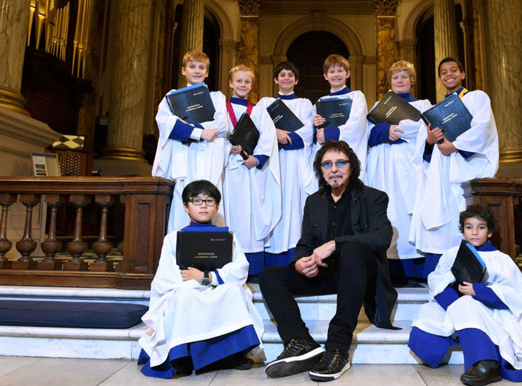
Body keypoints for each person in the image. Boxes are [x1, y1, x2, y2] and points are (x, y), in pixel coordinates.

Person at [259, 140, 397, 382]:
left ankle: (337, 348)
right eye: (327, 164)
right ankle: (300, 341)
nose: (334, 169)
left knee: (352, 250)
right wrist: (300, 261)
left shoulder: (374, 198)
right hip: (328, 274)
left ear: (351, 167)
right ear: (320, 170)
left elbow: (382, 237)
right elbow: (305, 242)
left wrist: (336, 244)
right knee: (270, 275)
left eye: (340, 163)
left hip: (360, 275)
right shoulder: (314, 201)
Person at [137, 180, 264, 378]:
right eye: (196, 201)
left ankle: (230, 356)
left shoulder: (228, 236)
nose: (203, 205)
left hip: (217, 284)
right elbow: (165, 277)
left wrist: (207, 277)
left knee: (234, 292)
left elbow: (240, 267)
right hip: (186, 287)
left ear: (217, 207)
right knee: (185, 296)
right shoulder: (173, 238)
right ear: (186, 207)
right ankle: (184, 357)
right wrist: (191, 281)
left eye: (209, 200)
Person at [409, 204, 522, 386]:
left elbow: (516, 295)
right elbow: (436, 280)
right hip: (452, 302)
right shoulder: (452, 254)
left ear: (490, 232)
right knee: (428, 312)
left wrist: (477, 291)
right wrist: (452, 294)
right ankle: (437, 347)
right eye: (469, 227)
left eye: (481, 227)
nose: (475, 233)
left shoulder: (501, 259)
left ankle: (485, 363)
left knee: (467, 305)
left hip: (488, 307)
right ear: (463, 231)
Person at [409, 57, 499, 263]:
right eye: (444, 72)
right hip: (442, 172)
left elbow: (483, 128)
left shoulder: (477, 98)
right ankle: (444, 267)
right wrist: (429, 140)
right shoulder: (436, 109)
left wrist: (455, 145)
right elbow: (424, 145)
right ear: (440, 79)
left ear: (463, 74)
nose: (448, 74)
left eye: (453, 70)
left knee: (465, 216)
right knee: (444, 222)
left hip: (468, 168)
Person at [365, 60, 433, 282]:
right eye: (396, 77)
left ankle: (412, 267)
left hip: (409, 165)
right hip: (382, 165)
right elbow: (365, 134)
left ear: (412, 81)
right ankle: (386, 265)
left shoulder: (423, 105)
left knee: (407, 211)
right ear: (390, 82)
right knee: (386, 210)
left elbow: (424, 131)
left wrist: (398, 129)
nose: (400, 80)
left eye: (404, 76)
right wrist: (386, 129)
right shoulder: (378, 106)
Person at [151, 50, 228, 233]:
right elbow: (167, 124)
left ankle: (212, 252)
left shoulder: (217, 97)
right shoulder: (173, 97)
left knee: (210, 198)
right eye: (192, 66)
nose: (197, 70)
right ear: (183, 70)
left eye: (201, 67)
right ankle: (181, 255)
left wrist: (188, 126)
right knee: (183, 202)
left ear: (207, 72)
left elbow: (221, 126)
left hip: (209, 159)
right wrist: (199, 132)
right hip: (183, 158)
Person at [222, 64, 281, 275]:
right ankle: (227, 265)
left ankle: (252, 266)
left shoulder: (258, 111)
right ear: (230, 83)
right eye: (239, 80)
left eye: (247, 81)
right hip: (227, 171)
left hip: (250, 174)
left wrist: (256, 159)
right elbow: (217, 135)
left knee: (248, 217)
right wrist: (227, 149)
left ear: (252, 85)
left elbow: (268, 137)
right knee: (228, 215)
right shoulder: (222, 109)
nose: (243, 84)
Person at [255, 61, 315, 267]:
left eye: (290, 75)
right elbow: (257, 128)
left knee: (293, 203)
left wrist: (286, 138)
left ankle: (293, 254)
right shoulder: (265, 103)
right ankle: (271, 257)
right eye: (282, 75)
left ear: (296, 80)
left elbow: (309, 132)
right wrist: (275, 134)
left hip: (295, 160)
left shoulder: (305, 104)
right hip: (272, 161)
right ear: (275, 79)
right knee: (272, 200)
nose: (286, 78)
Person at [304, 54, 368, 194]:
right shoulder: (321, 101)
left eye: (340, 70)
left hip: (347, 152)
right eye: (332, 71)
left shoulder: (356, 96)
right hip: (327, 154)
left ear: (348, 73)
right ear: (325, 76)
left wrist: (329, 133)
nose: (336, 74)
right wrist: (317, 127)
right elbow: (314, 135)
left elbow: (358, 124)